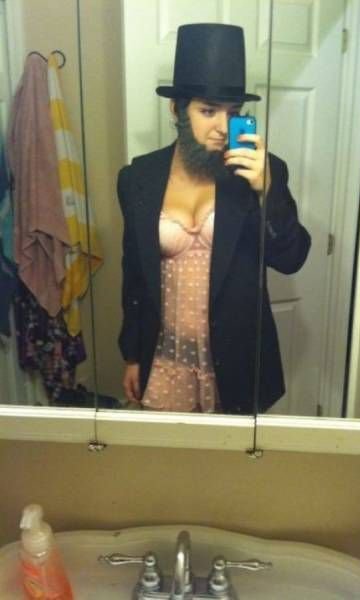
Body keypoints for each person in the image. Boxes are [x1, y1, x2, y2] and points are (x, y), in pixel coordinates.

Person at [117, 23, 311, 414]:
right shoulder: (139, 177)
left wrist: (266, 193)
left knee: (233, 455)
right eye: (208, 110)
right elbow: (134, 274)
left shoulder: (262, 171)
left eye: (233, 112)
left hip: (237, 363)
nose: (222, 127)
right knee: (170, 452)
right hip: (165, 358)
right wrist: (133, 355)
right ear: (177, 109)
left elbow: (291, 258)